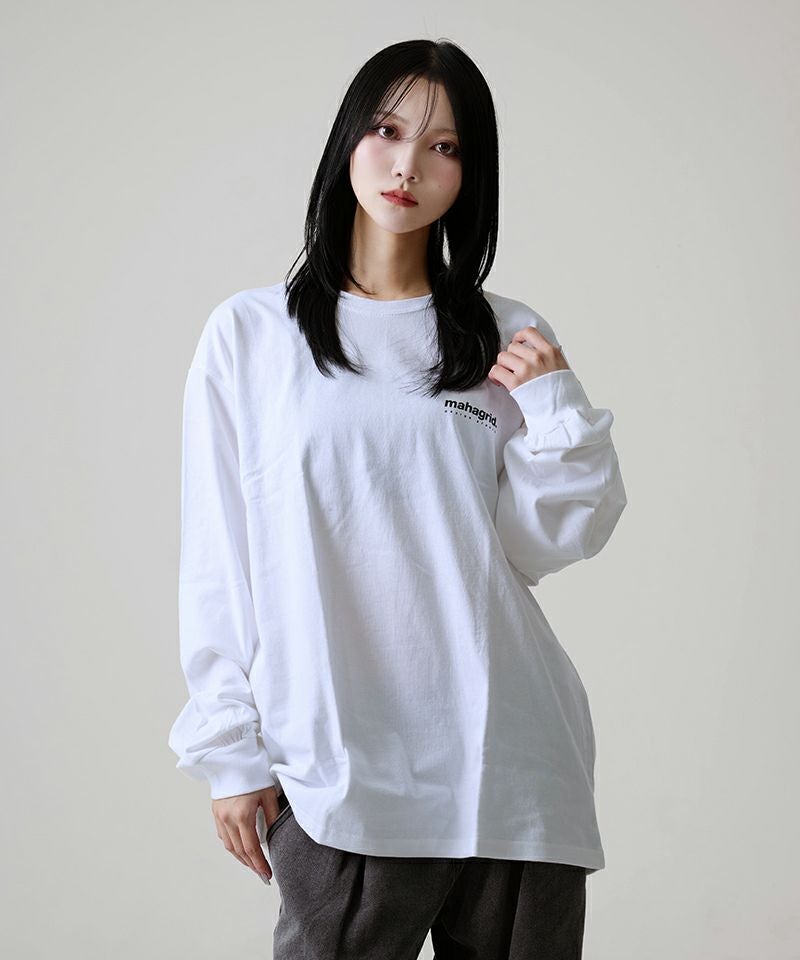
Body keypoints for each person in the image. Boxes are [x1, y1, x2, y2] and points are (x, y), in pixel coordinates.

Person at [168, 37, 627, 959]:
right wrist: (229, 752)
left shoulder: (506, 334)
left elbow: (532, 546)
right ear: (348, 139)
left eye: (444, 146)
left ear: (470, 173)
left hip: (512, 768)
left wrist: (554, 406)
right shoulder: (252, 336)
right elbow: (220, 554)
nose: (408, 164)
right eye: (386, 130)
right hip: (341, 766)